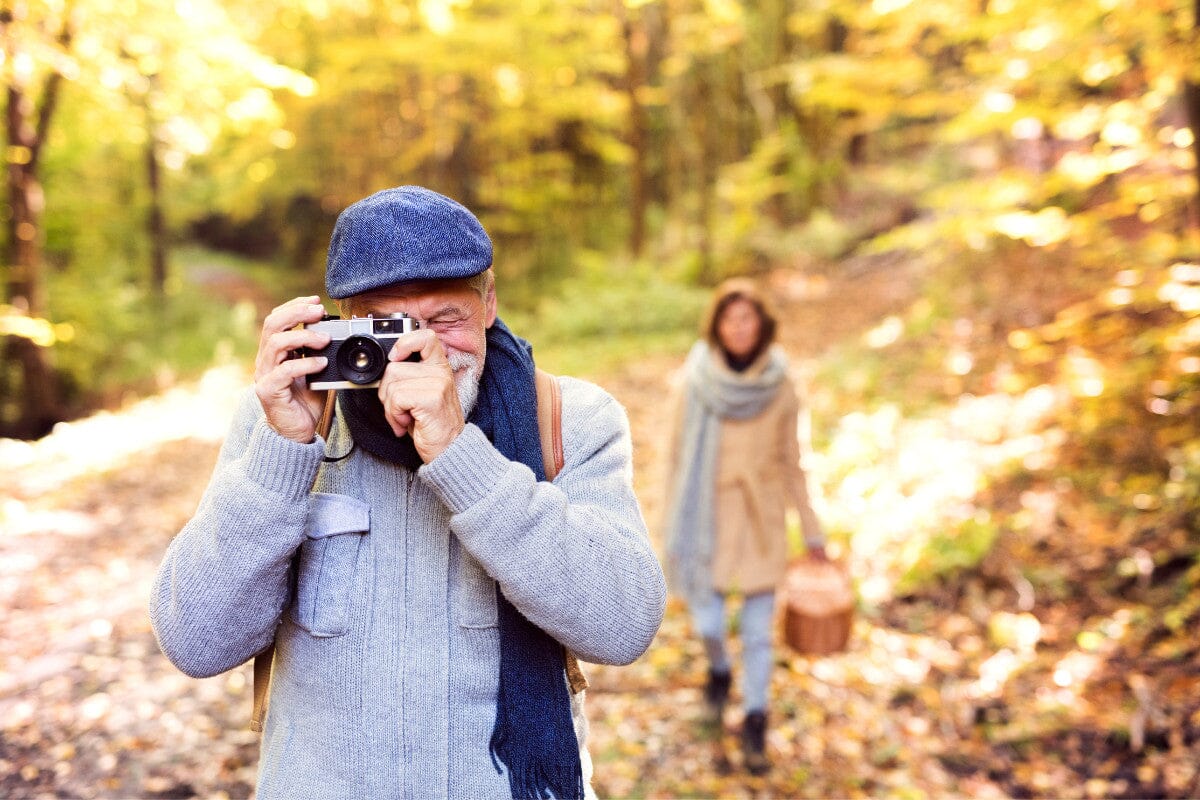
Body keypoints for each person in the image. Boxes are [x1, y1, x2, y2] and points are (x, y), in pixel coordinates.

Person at [150, 186, 666, 800]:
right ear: (343, 319)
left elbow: (624, 624)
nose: (421, 349)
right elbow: (197, 640)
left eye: (446, 319)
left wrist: (458, 456)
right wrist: (281, 455)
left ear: (489, 303)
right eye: (388, 325)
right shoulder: (287, 420)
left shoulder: (569, 419)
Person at [661, 277, 826, 776]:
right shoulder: (696, 380)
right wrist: (666, 521)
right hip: (705, 517)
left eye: (748, 318)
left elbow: (794, 461)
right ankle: (717, 672)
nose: (739, 327)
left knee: (758, 632)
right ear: (717, 324)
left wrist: (813, 530)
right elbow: (674, 457)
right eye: (730, 318)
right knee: (709, 624)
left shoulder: (780, 382)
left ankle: (756, 720)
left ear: (762, 324)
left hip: (761, 518)